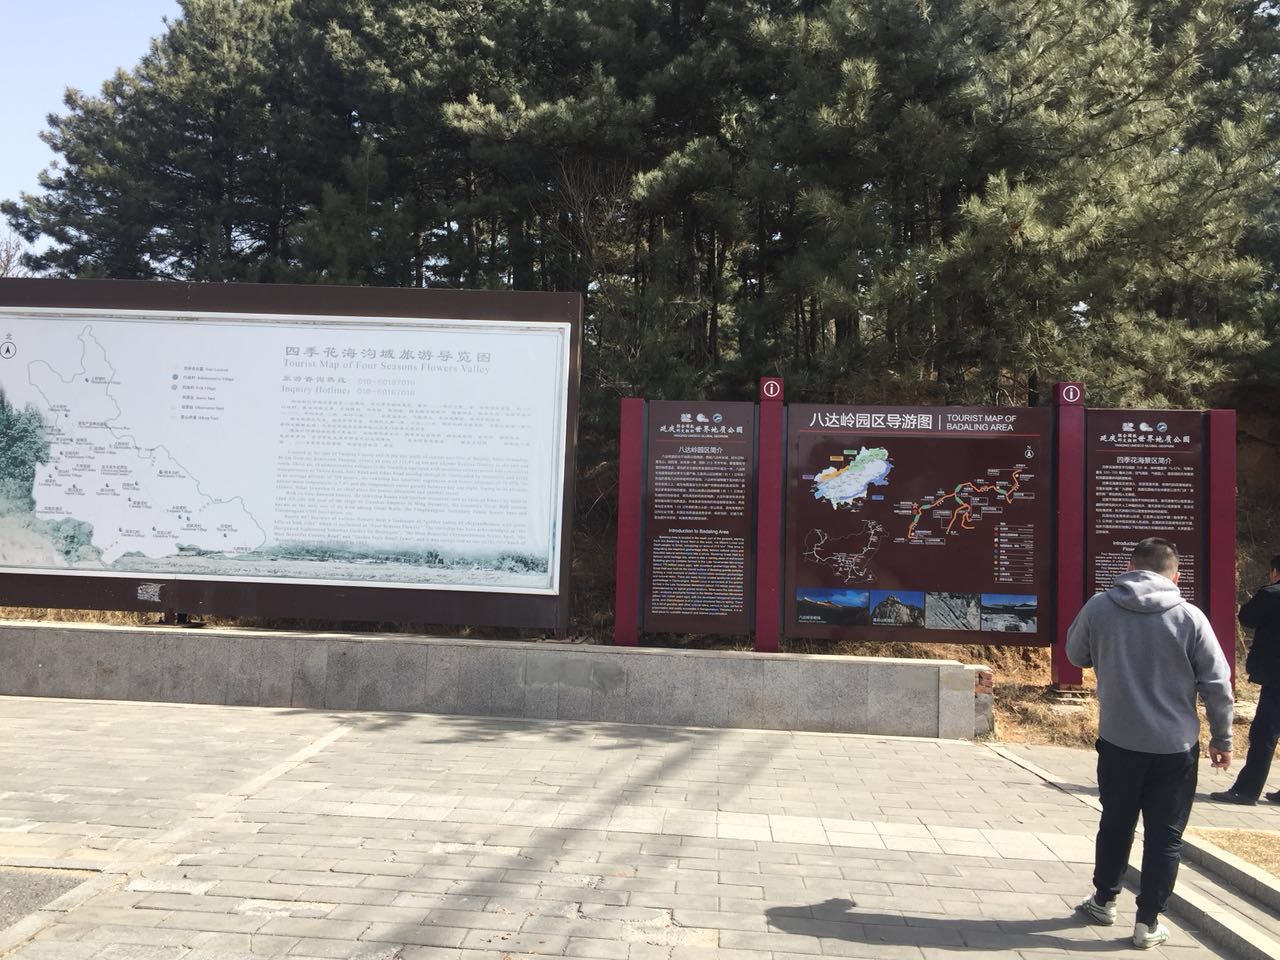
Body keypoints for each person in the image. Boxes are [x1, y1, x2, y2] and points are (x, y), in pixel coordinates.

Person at [1066, 537, 1234, 951]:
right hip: (1175, 746)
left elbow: (1075, 655)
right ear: (1176, 576)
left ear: (1129, 567)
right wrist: (1222, 737)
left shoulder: (1100, 606)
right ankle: (1148, 923)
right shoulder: (1190, 616)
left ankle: (1104, 900)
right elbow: (1217, 683)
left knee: (1115, 823)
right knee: (1166, 837)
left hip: (1119, 739)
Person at [1209, 553, 1280, 806]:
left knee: (1264, 735)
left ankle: (1247, 791)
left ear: (1275, 572)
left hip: (1276, 679)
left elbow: (1247, 617)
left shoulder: (1271, 594)